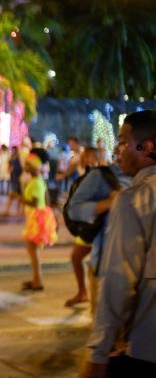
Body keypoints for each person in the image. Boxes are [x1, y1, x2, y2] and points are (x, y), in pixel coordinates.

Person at [82, 110, 156, 378]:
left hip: (146, 348)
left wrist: (99, 350)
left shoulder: (134, 199)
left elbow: (119, 280)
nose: (117, 148)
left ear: (146, 147)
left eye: (124, 140)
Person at [64, 148, 131, 309]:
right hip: (95, 233)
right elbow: (74, 209)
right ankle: (83, 291)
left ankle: (83, 291)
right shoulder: (101, 175)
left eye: (89, 155)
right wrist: (108, 203)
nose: (86, 158)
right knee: (76, 257)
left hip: (132, 266)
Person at [20, 150, 58, 291]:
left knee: (33, 251)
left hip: (36, 219)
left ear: (34, 166)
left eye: (28, 164)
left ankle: (38, 280)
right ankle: (36, 279)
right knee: (33, 251)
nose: (26, 166)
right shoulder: (38, 180)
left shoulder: (36, 182)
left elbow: (34, 203)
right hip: (36, 218)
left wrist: (19, 198)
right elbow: (46, 200)